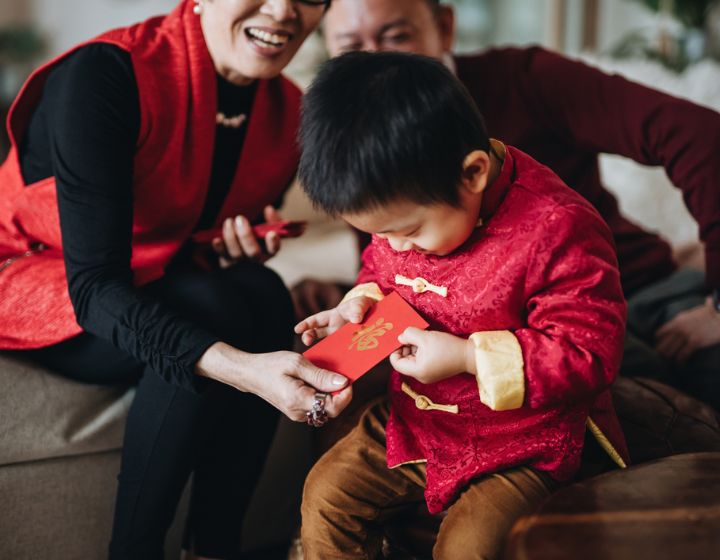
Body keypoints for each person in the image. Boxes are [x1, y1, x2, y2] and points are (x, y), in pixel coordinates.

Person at [0, 1, 353, 558]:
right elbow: (95, 288)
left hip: (159, 276)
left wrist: (224, 252)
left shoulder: (288, 110)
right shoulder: (104, 74)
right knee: (208, 310)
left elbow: (185, 239)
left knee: (261, 291)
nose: (284, 10)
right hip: (40, 275)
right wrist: (243, 370)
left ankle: (213, 547)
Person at [292, 0, 720, 409]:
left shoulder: (528, 80)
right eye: (350, 47)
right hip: (519, 339)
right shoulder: (346, 136)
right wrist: (350, 296)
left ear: (444, 27)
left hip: (640, 290)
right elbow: (401, 265)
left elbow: (701, 135)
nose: (375, 63)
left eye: (396, 36)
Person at [295, 51, 629, 560]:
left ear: (472, 173)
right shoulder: (408, 209)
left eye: (407, 232)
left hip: (524, 443)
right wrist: (355, 307)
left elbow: (589, 351)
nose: (396, 247)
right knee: (325, 498)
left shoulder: (558, 228)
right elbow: (380, 271)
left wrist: (469, 358)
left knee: (470, 546)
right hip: (417, 422)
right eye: (379, 234)